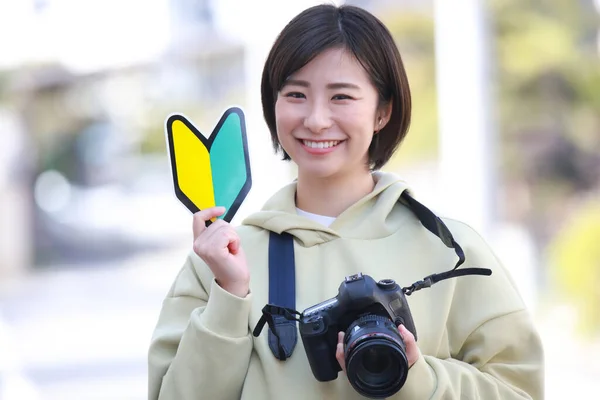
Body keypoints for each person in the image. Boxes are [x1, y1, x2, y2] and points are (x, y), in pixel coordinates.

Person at [147, 4, 544, 400]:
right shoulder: (223, 255)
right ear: (274, 104)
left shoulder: (453, 253)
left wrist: (418, 378)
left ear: (383, 112)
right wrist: (229, 295)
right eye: (296, 94)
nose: (317, 119)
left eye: (341, 96)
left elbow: (518, 391)